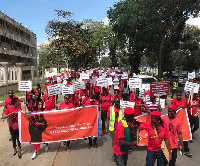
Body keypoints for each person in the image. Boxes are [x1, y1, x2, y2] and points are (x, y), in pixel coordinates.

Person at [170, 90, 192, 157]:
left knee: (184, 133)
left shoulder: (184, 101)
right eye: (177, 95)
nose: (178, 97)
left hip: (183, 120)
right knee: (174, 134)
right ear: (175, 95)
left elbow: (187, 108)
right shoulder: (173, 101)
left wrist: (189, 107)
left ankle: (186, 150)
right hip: (176, 120)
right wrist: (179, 107)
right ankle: (171, 146)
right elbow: (172, 110)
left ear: (181, 95)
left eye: (180, 95)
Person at [106, 96, 124, 161]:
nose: (117, 103)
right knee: (114, 143)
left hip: (120, 130)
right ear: (114, 102)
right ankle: (115, 154)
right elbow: (107, 119)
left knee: (119, 142)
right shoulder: (110, 109)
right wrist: (106, 128)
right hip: (112, 129)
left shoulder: (122, 110)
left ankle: (119, 154)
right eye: (116, 102)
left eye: (118, 102)